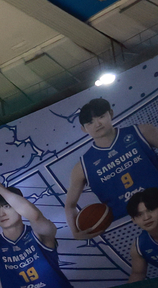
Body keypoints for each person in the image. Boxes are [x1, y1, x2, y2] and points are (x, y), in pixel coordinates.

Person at [64, 98, 158, 231]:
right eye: (90, 122)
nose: (97, 124)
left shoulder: (141, 132)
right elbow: (70, 206)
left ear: (111, 114)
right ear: (84, 129)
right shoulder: (82, 166)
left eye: (101, 116)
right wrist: (75, 232)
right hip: (127, 224)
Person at [125, 187, 158, 282]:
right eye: (139, 215)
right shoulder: (139, 246)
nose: (146, 217)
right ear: (133, 220)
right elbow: (138, 274)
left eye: (150, 210)